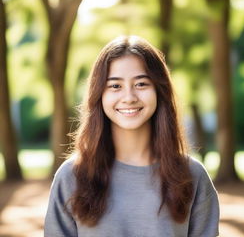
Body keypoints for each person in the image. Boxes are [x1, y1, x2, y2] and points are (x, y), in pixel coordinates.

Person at [44, 35, 219, 237]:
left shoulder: (192, 175)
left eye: (141, 84)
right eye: (115, 86)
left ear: (159, 91)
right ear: (99, 95)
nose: (129, 97)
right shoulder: (71, 176)